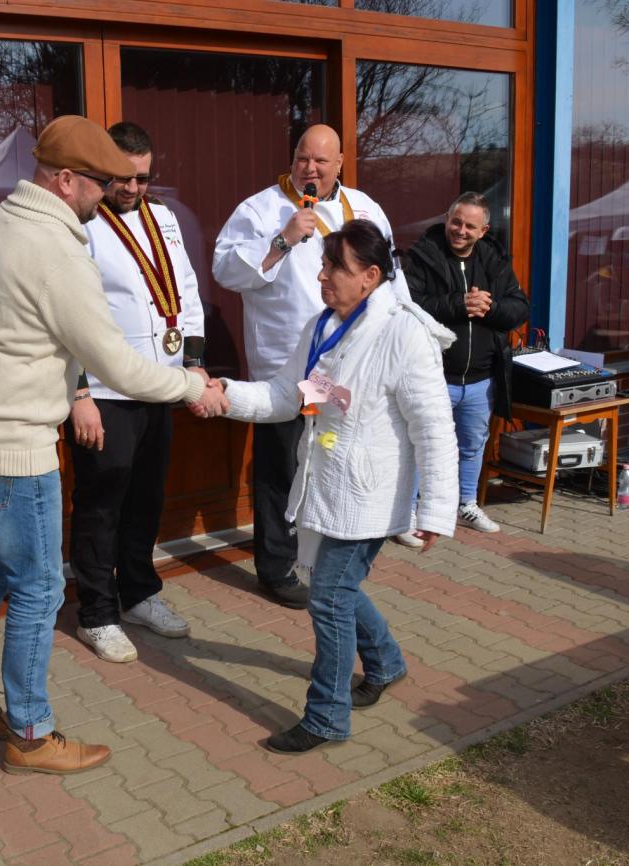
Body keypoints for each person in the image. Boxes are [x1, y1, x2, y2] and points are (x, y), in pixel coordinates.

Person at [0, 115, 209, 775]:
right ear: (64, 179)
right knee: (38, 590)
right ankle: (30, 735)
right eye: (100, 182)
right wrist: (191, 385)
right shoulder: (56, 249)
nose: (109, 194)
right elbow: (115, 362)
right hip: (12, 449)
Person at [193, 219, 457, 753]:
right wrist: (226, 394)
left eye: (335, 267)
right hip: (325, 483)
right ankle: (386, 663)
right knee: (338, 590)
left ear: (371, 276)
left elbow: (433, 429)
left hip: (370, 495)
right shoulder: (323, 325)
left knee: (329, 599)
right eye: (324, 265)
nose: (322, 276)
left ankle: (326, 717)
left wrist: (435, 509)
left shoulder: (404, 334)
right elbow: (287, 397)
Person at [212, 125, 402, 607]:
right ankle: (276, 566)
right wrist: (282, 240)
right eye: (302, 158)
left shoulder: (365, 208)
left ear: (340, 163)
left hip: (347, 367)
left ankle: (322, 554)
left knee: (329, 456)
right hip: (286, 365)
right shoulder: (259, 209)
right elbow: (224, 272)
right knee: (281, 464)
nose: (310, 169)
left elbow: (391, 279)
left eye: (321, 161)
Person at [66, 121, 205, 664]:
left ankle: (140, 593)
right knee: (101, 504)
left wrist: (193, 362)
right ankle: (97, 613)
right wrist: (78, 392)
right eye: (123, 178)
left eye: (143, 178)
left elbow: (185, 288)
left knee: (147, 498)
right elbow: (65, 314)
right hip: (104, 391)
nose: (132, 188)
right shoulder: (80, 222)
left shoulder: (163, 216)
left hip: (160, 382)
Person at [399, 192, 529, 541]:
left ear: (483, 231)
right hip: (435, 376)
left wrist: (489, 307)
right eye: (456, 222)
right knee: (422, 445)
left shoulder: (494, 260)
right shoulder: (423, 256)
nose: (460, 230)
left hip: (481, 379)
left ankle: (465, 503)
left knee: (472, 446)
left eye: (470, 226)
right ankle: (409, 512)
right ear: (447, 219)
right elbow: (409, 305)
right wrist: (460, 304)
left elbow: (520, 307)